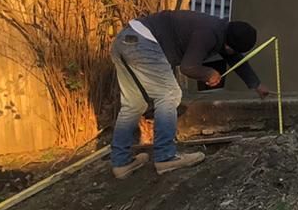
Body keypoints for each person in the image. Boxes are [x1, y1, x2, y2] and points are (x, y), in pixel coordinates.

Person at [109, 11, 273, 178]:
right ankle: (166, 157)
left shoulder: (221, 30)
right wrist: (208, 73)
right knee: (170, 94)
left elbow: (235, 59)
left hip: (125, 41)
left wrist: (256, 84)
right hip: (143, 43)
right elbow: (188, 67)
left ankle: (121, 163)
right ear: (228, 45)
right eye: (231, 50)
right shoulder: (208, 33)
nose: (230, 52)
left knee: (134, 104)